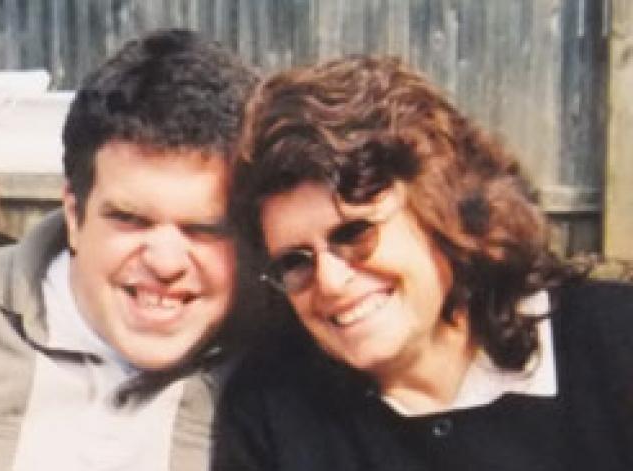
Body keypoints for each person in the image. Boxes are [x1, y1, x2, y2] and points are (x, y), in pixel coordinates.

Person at [214, 55, 633, 471]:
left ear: (442, 208)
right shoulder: (269, 412)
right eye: (295, 261)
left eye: (353, 234)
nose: (331, 281)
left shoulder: (612, 343)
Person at [0, 28, 257, 471]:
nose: (165, 262)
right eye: (131, 220)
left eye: (204, 229)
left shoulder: (287, 365)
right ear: (75, 216)